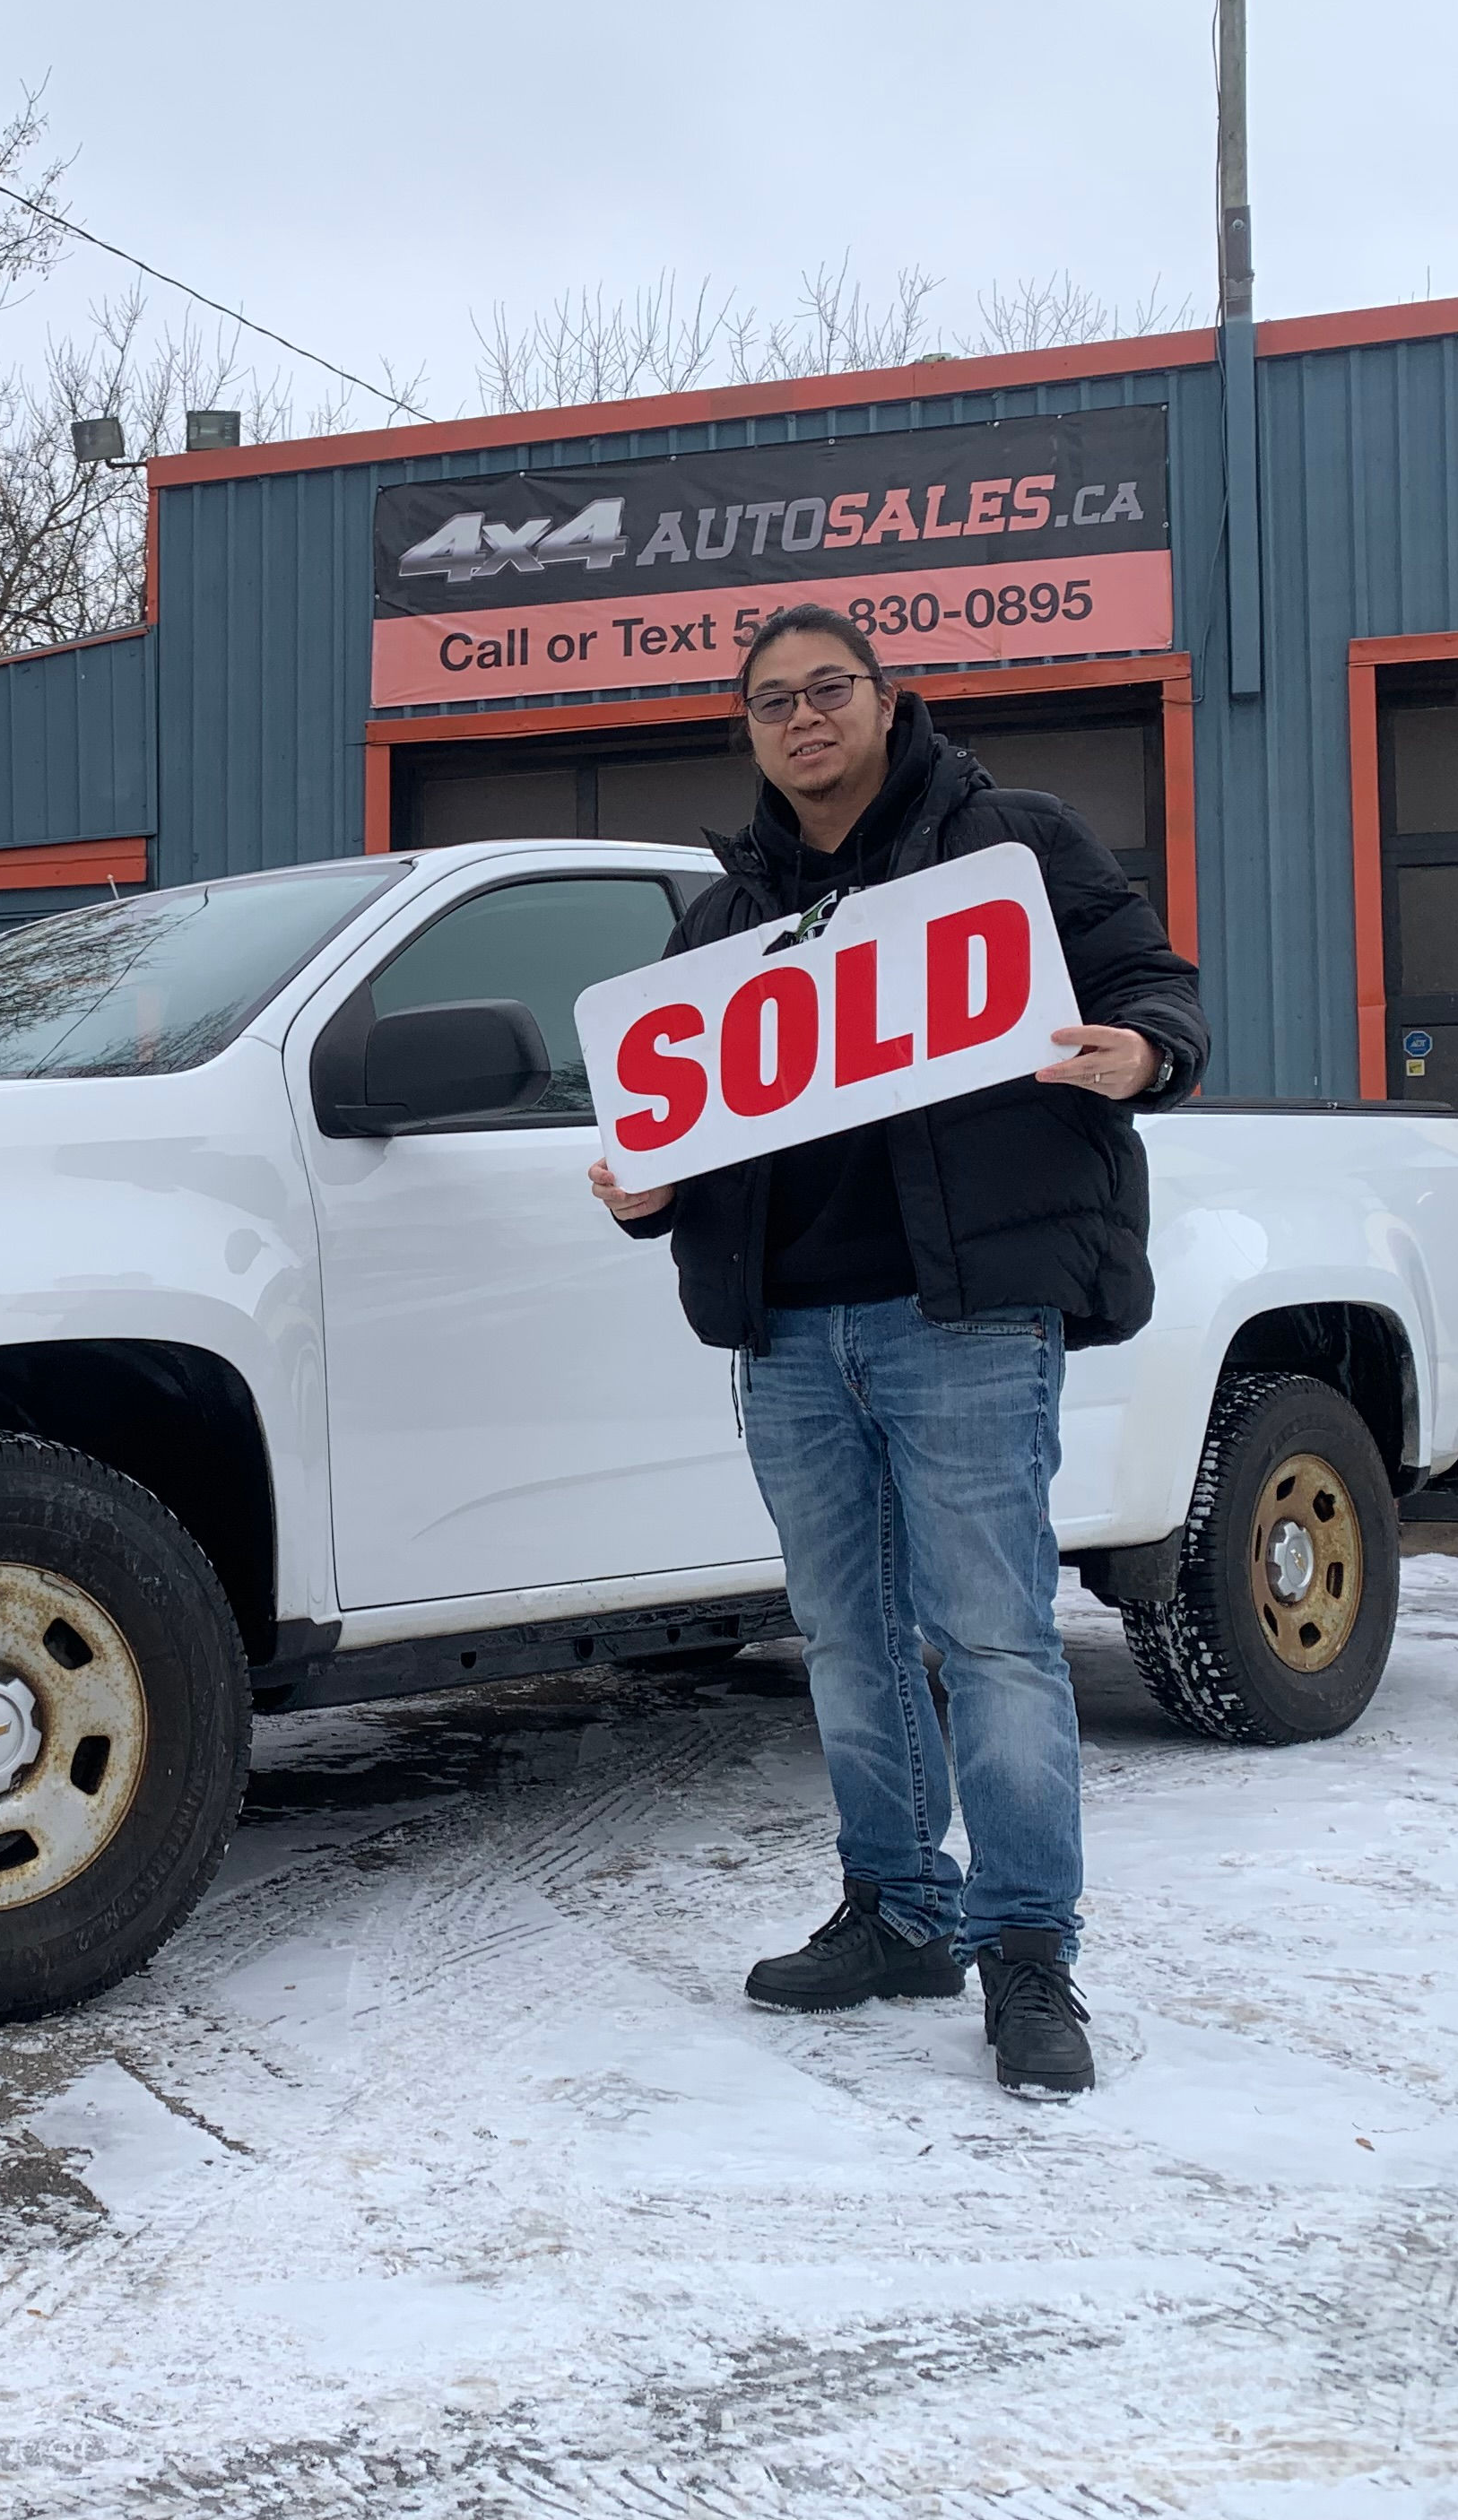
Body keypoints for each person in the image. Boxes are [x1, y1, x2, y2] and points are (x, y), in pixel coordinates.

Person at [587, 603, 1207, 2095]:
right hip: (788, 1331)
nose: (802, 719)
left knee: (989, 1638)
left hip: (965, 1319)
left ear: (882, 700)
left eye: (827, 690)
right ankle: (896, 1911)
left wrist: (1146, 1053)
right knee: (850, 1643)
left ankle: (1028, 1955)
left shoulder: (1013, 848)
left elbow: (1151, 984)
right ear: (750, 733)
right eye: (771, 702)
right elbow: (668, 1130)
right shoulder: (729, 920)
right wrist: (645, 1189)